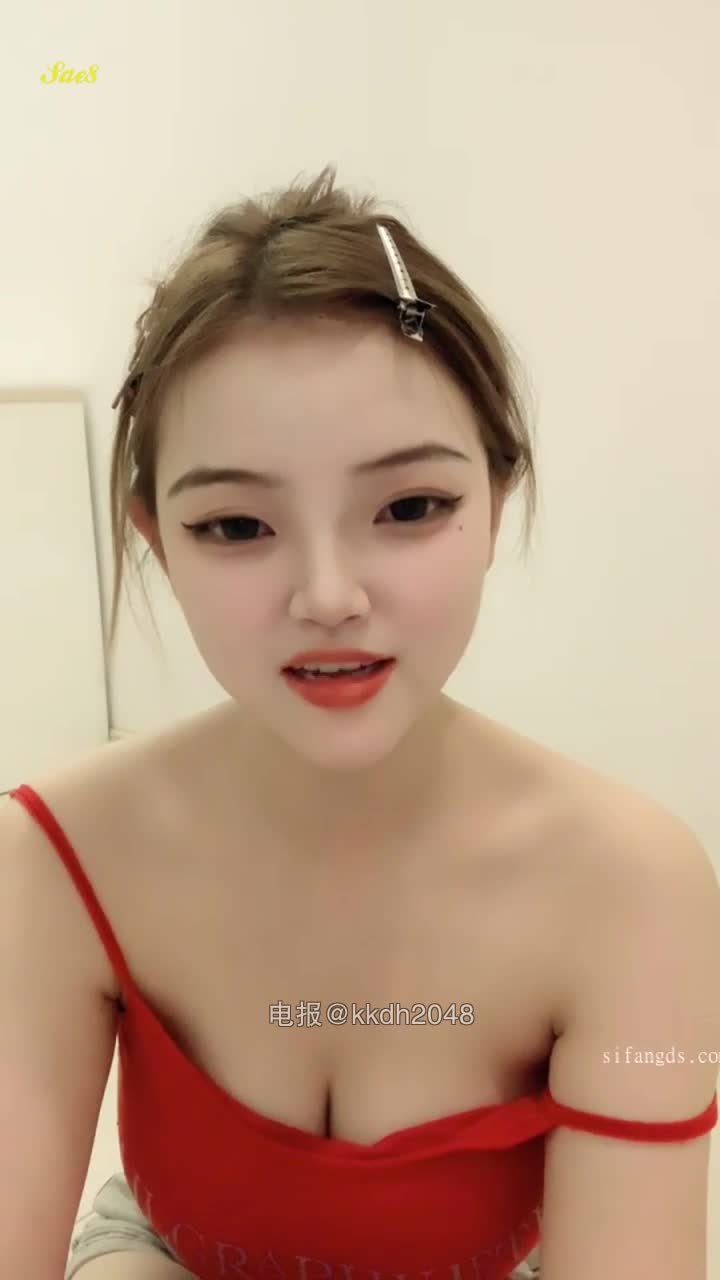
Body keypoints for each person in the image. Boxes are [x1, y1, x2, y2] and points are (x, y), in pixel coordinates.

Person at [4, 164, 718, 1280]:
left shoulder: (637, 888)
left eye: (410, 506)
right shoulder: (54, 856)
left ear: (496, 503)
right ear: (155, 538)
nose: (328, 595)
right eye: (236, 525)